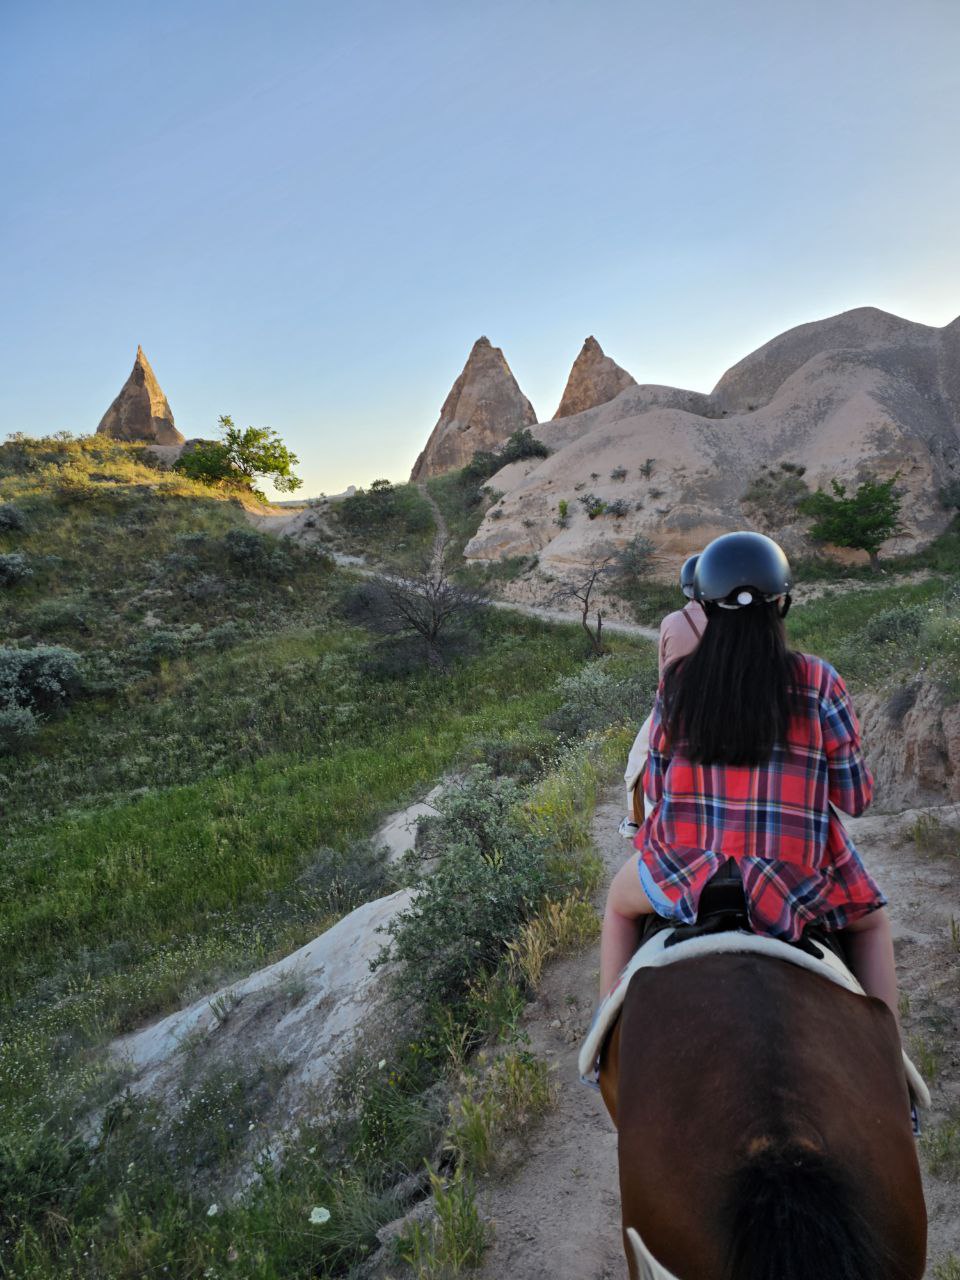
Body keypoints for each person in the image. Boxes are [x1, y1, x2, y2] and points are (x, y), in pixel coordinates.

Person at [599, 531, 899, 1028]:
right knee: (872, 925)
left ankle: (600, 1038)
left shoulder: (677, 685)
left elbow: (654, 788)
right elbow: (856, 800)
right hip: (790, 877)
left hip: (685, 870)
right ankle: (894, 1069)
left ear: (705, 607)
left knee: (617, 907)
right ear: (781, 603)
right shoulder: (820, 680)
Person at [619, 554, 706, 837]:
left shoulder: (672, 620)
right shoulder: (730, 622)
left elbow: (663, 677)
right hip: (723, 702)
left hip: (676, 704)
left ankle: (634, 821)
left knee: (638, 758)